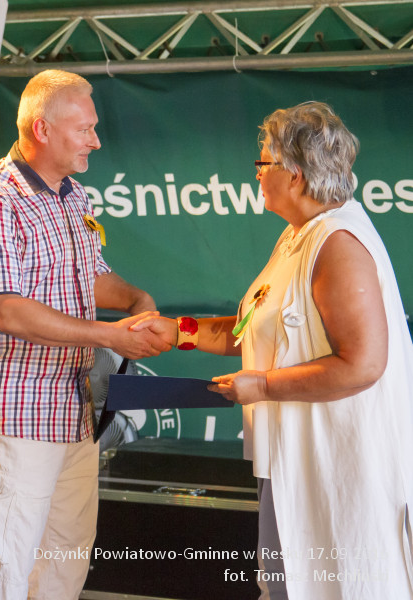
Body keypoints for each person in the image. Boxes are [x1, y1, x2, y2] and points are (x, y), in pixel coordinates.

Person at [135, 101, 413, 599]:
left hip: (340, 464)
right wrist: (178, 332)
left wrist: (262, 386)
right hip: (293, 462)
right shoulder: (298, 236)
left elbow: (364, 364)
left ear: (296, 174)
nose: (257, 174)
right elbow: (255, 329)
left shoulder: (338, 242)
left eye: (263, 162)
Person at [0, 70, 169, 600]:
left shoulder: (73, 195)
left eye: (94, 127)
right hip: (15, 416)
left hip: (75, 415)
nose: (96, 140)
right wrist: (109, 336)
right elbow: (5, 309)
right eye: (84, 129)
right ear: (42, 130)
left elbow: (89, 276)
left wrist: (136, 299)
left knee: (63, 568)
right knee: (2, 571)